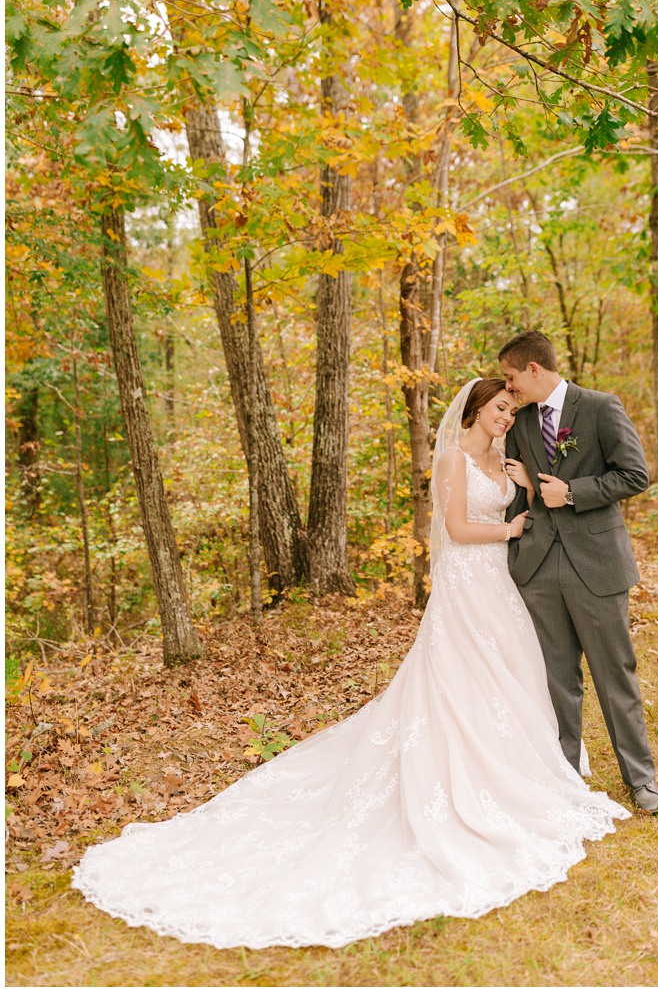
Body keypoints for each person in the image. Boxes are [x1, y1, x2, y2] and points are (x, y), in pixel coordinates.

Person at [72, 379, 629, 949]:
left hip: (500, 586)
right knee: (458, 680)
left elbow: (533, 510)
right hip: (467, 583)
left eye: (512, 410)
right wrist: (508, 526)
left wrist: (526, 494)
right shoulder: (451, 459)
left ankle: (524, 768)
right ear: (475, 410)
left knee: (513, 672)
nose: (507, 417)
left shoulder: (507, 459)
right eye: (499, 409)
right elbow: (458, 530)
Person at [497, 331, 658, 815]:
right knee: (556, 678)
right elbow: (514, 482)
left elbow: (635, 475)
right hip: (540, 564)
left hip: (596, 562)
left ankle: (641, 779)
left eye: (511, 377)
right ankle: (565, 776)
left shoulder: (600, 407)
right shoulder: (521, 421)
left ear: (533, 369)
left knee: (615, 674)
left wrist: (569, 492)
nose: (510, 388)